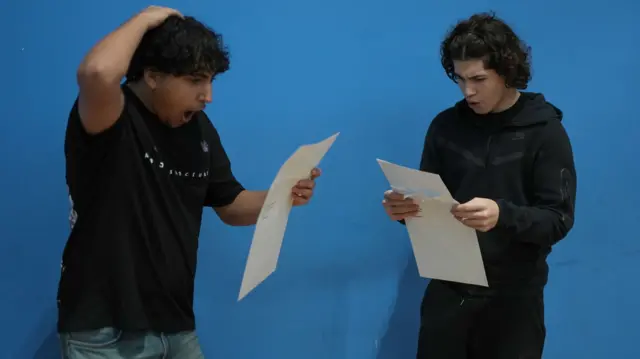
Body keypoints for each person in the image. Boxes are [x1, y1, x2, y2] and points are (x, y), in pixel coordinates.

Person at [58, 6, 321, 359]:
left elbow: (231, 205)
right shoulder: (113, 116)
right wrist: (148, 17)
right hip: (105, 333)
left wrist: (283, 194)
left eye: (210, 81)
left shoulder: (198, 128)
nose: (207, 95)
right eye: (196, 80)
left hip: (177, 326)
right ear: (152, 76)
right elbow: (96, 71)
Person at [382, 12, 577, 359]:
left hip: (514, 302)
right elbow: (429, 206)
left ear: (506, 71)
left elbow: (557, 219)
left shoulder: (545, 132)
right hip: (449, 294)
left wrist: (502, 214)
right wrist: (405, 211)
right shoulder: (445, 127)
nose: (468, 91)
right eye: (459, 79)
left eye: (478, 79)